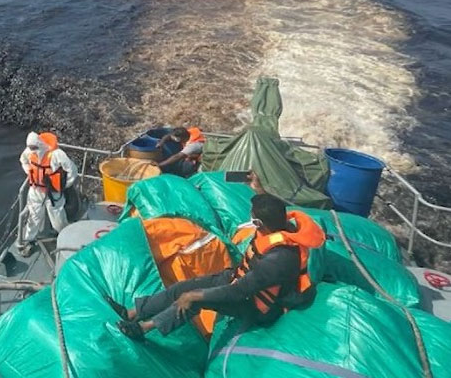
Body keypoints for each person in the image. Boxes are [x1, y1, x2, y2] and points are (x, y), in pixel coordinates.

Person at [108, 193, 324, 340]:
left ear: (260, 224)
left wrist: (196, 296)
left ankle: (144, 328)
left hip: (257, 305)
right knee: (182, 287)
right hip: (239, 277)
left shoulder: (279, 260)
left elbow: (240, 291)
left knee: (193, 299)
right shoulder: (277, 226)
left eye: (253, 217)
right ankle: (132, 312)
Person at [18, 131, 79, 256]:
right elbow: (23, 160)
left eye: (34, 147)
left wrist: (65, 185)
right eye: (30, 147)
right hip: (35, 191)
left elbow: (71, 169)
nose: (32, 150)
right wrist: (28, 171)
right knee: (34, 216)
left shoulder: (56, 154)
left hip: (53, 192)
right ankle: (28, 240)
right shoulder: (29, 152)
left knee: (57, 216)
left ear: (39, 144)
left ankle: (64, 236)